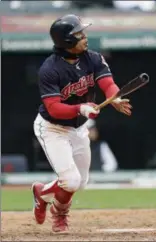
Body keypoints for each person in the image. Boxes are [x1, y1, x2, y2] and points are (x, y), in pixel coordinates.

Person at [32, 14, 132, 233]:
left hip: (78, 128)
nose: (85, 37)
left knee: (81, 182)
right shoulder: (49, 69)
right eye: (79, 34)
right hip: (52, 128)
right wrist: (81, 108)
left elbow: (108, 83)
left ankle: (41, 193)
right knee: (70, 180)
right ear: (67, 42)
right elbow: (53, 108)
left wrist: (114, 97)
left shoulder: (93, 58)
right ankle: (60, 215)